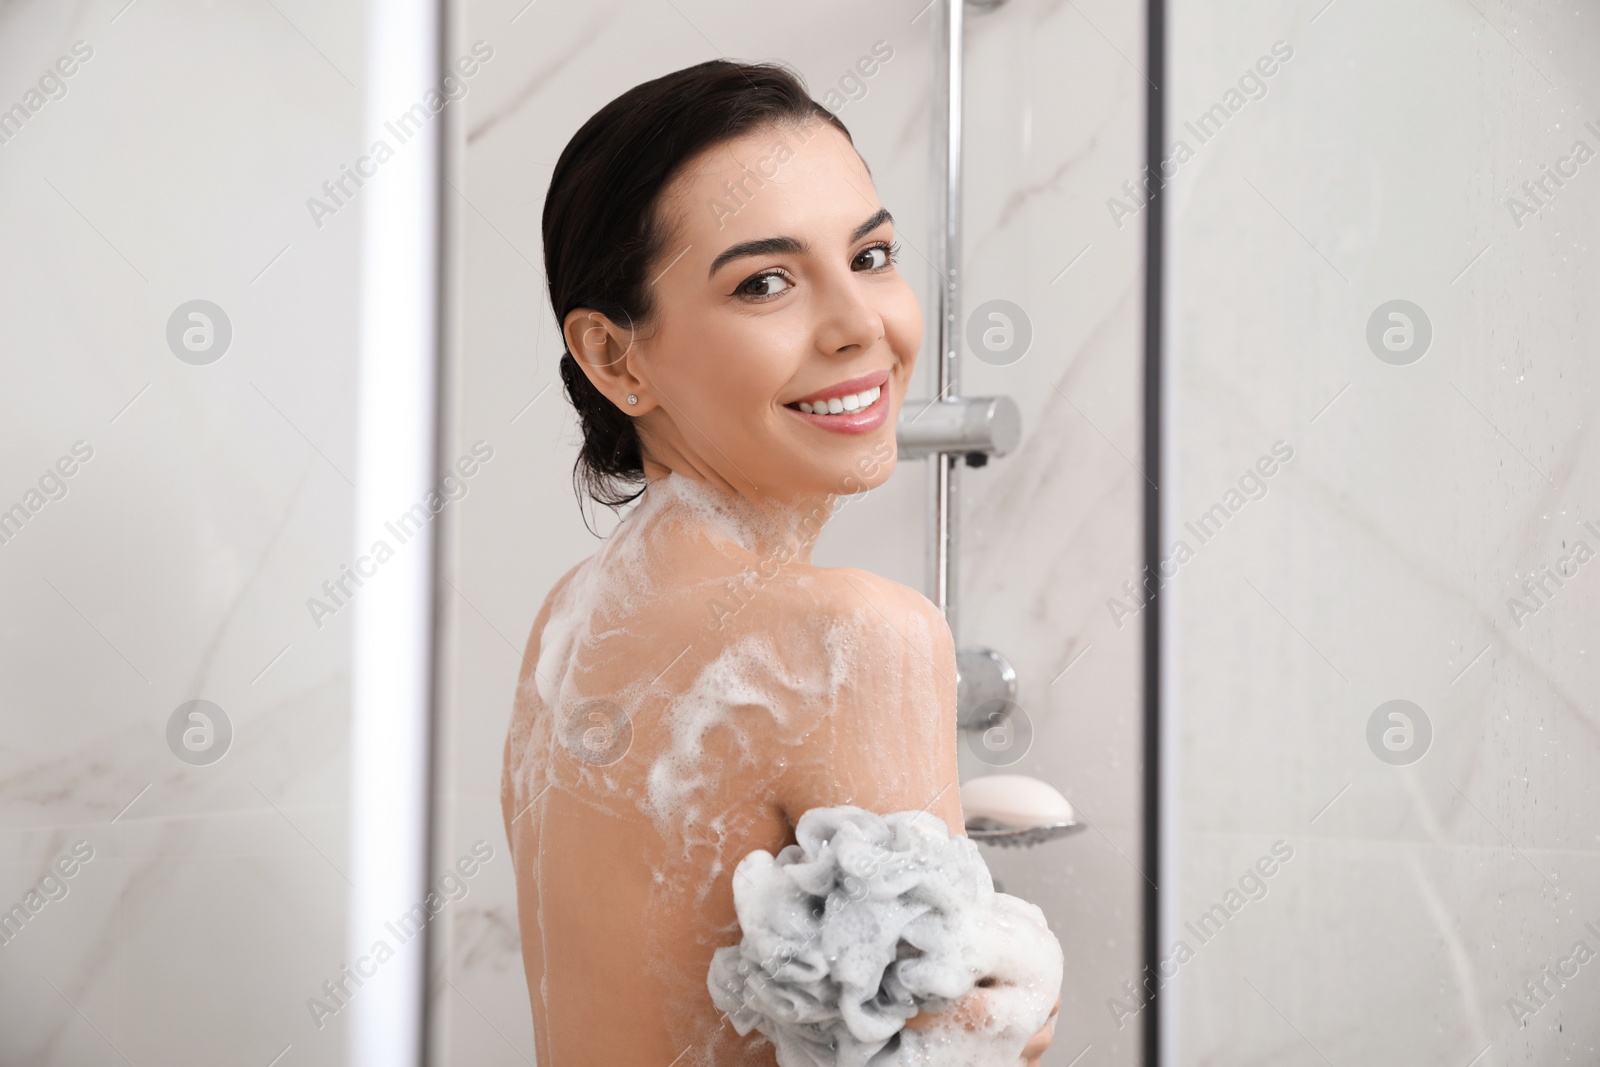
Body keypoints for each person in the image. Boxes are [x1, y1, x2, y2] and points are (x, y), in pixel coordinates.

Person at [501, 58, 1060, 1065]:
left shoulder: (574, 617)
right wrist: (1006, 1028)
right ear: (616, 359)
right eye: (765, 281)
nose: (860, 326)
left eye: (872, 255)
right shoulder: (852, 635)